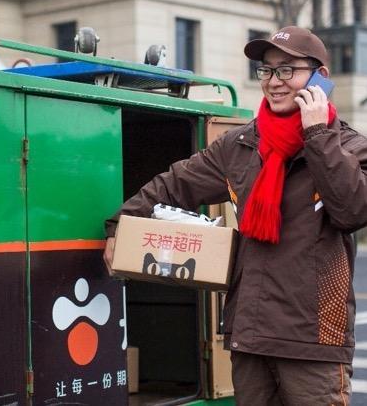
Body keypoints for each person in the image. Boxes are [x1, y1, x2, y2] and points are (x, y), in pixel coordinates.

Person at [104, 26, 367, 405]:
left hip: (314, 343)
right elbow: (174, 184)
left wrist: (318, 136)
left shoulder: (348, 147)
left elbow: (352, 210)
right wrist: (119, 227)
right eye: (267, 70)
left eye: (287, 70)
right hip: (250, 335)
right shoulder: (241, 145)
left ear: (320, 78)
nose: (274, 82)